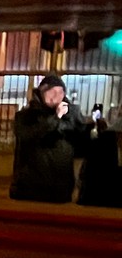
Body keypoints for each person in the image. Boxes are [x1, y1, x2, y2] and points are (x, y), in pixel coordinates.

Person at [11, 73, 85, 204]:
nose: (56, 96)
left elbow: (81, 146)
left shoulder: (71, 117)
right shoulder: (26, 116)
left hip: (61, 188)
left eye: (60, 92)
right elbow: (28, 135)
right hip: (30, 188)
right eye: (52, 91)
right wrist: (56, 118)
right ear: (41, 93)